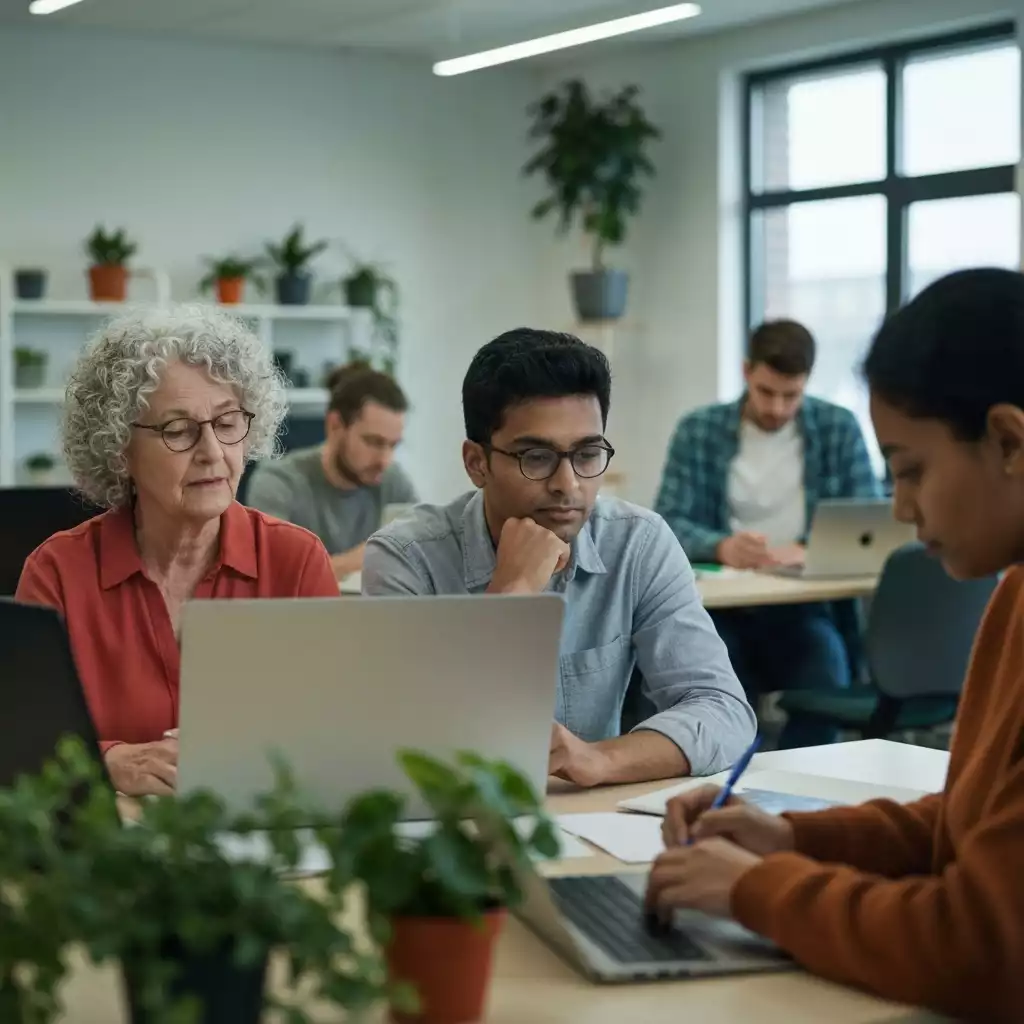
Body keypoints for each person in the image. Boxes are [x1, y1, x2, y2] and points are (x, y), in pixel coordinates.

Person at [645, 268, 1024, 1022]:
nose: (901, 506)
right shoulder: (1013, 591)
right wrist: (790, 836)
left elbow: (982, 946)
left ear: (1008, 440)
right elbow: (968, 828)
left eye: (911, 469)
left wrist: (756, 891)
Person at [362, 328, 756, 786]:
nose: (568, 485)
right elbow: (402, 747)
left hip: (593, 818)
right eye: (536, 456)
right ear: (476, 463)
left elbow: (724, 712)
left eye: (588, 454)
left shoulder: (638, 542)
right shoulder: (406, 559)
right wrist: (512, 594)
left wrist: (601, 760)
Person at [15, 306, 339, 798]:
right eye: (178, 429)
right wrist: (110, 762)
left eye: (227, 422)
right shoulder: (57, 572)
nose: (213, 451)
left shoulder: (295, 560)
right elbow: (21, 742)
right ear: (120, 447)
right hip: (113, 841)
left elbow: (336, 731)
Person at [654, 320, 880, 747]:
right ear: (746, 373)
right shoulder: (698, 430)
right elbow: (668, 522)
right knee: (714, 695)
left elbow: (868, 525)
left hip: (801, 607)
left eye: (790, 395)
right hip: (718, 611)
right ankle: (728, 787)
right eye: (766, 392)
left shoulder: (838, 428)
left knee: (827, 668)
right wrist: (721, 546)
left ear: (807, 382)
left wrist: (811, 550)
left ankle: (799, 792)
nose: (777, 408)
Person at [246, 363, 417, 580]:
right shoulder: (279, 482)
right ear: (335, 426)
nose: (385, 460)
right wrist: (375, 554)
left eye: (393, 445)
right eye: (373, 442)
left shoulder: (393, 481)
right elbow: (275, 577)